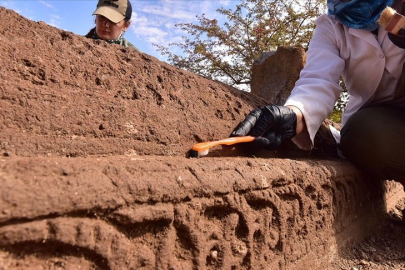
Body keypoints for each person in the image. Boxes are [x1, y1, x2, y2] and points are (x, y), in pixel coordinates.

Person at [231, 0, 405, 217]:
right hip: (383, 119)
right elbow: (318, 78)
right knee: (364, 135)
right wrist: (295, 113)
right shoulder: (331, 26)